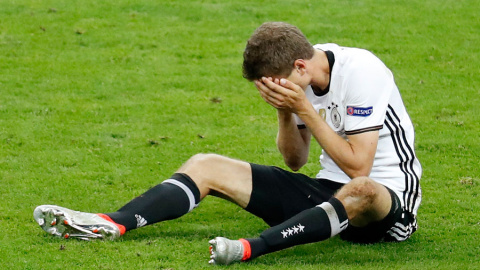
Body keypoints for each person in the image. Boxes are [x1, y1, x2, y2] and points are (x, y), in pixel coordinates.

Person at [34, 22, 422, 265]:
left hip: (387, 206)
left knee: (362, 188)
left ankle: (249, 248)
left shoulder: (363, 71)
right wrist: (286, 112)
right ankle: (112, 223)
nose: (276, 91)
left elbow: (359, 168)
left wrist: (304, 106)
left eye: (277, 84)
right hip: (326, 195)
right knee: (205, 163)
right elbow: (295, 161)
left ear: (300, 68)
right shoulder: (299, 79)